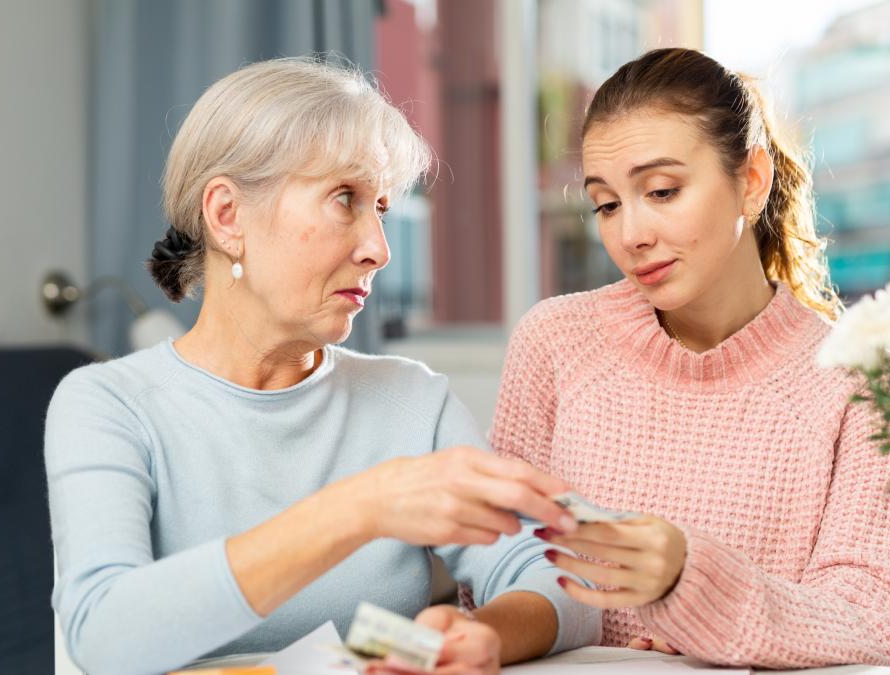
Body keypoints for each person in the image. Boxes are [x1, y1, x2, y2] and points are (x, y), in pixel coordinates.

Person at [46, 57, 600, 675]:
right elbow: (103, 636)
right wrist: (356, 509)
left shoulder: (411, 402)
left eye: (382, 209)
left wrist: (486, 634)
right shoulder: (107, 404)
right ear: (228, 216)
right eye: (345, 199)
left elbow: (565, 584)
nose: (380, 250)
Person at [491, 48, 890, 669]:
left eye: (662, 191)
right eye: (607, 204)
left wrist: (693, 589)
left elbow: (872, 618)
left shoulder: (864, 378)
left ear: (751, 181)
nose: (631, 234)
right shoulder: (554, 342)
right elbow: (497, 564)